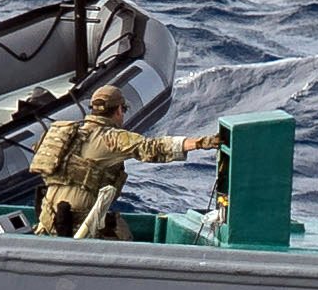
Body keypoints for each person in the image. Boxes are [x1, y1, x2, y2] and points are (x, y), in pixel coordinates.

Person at [32, 85, 219, 238]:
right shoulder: (111, 138)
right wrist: (202, 143)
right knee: (124, 237)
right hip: (77, 224)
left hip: (48, 217)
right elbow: (153, 148)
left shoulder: (63, 134)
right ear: (120, 110)